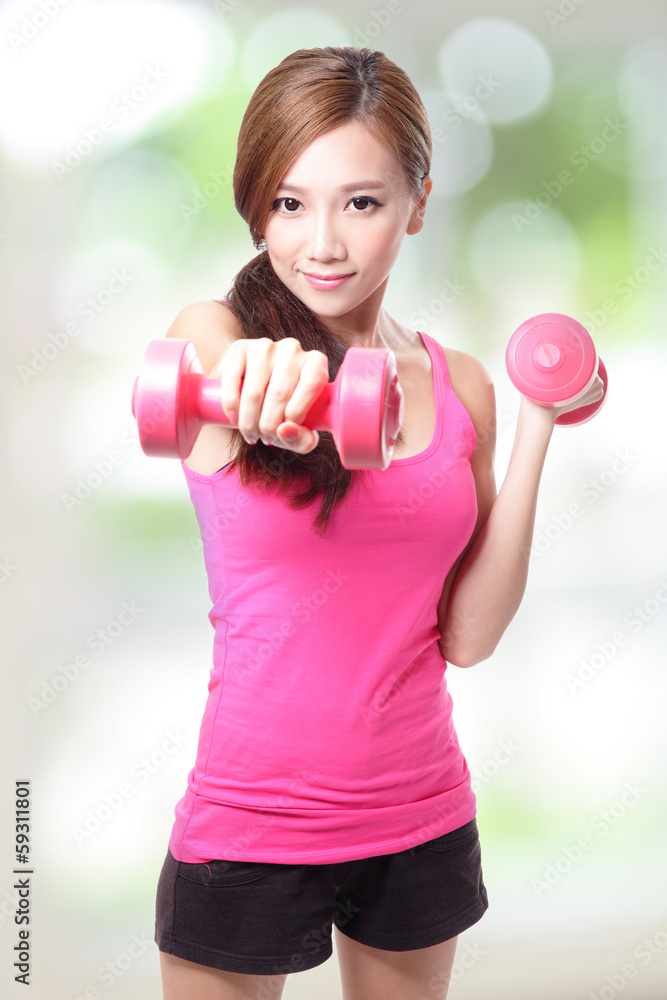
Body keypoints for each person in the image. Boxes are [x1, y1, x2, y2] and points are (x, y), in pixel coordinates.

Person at [153, 46, 604, 1000]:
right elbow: (217, 375)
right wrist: (265, 386)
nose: (321, 242)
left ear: (418, 203)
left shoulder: (461, 387)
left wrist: (534, 428)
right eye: (288, 202)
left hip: (420, 816)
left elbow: (469, 638)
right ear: (256, 208)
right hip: (248, 826)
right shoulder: (217, 340)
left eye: (359, 202)